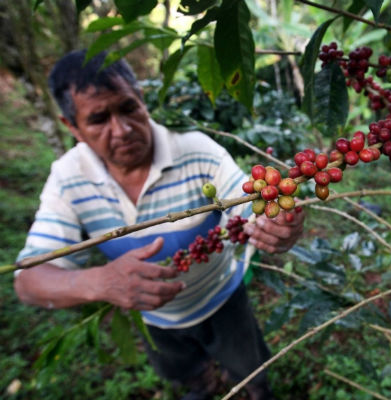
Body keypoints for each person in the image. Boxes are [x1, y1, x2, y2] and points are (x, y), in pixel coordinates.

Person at [13, 50, 304, 400]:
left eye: (128, 108)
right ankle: (202, 387)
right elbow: (29, 280)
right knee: (187, 377)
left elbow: (249, 207)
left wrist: (272, 222)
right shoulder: (67, 178)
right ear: (72, 127)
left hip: (222, 298)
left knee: (251, 371)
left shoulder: (197, 150)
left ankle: (255, 389)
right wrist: (99, 281)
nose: (121, 130)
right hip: (157, 322)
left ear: (142, 99)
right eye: (98, 119)